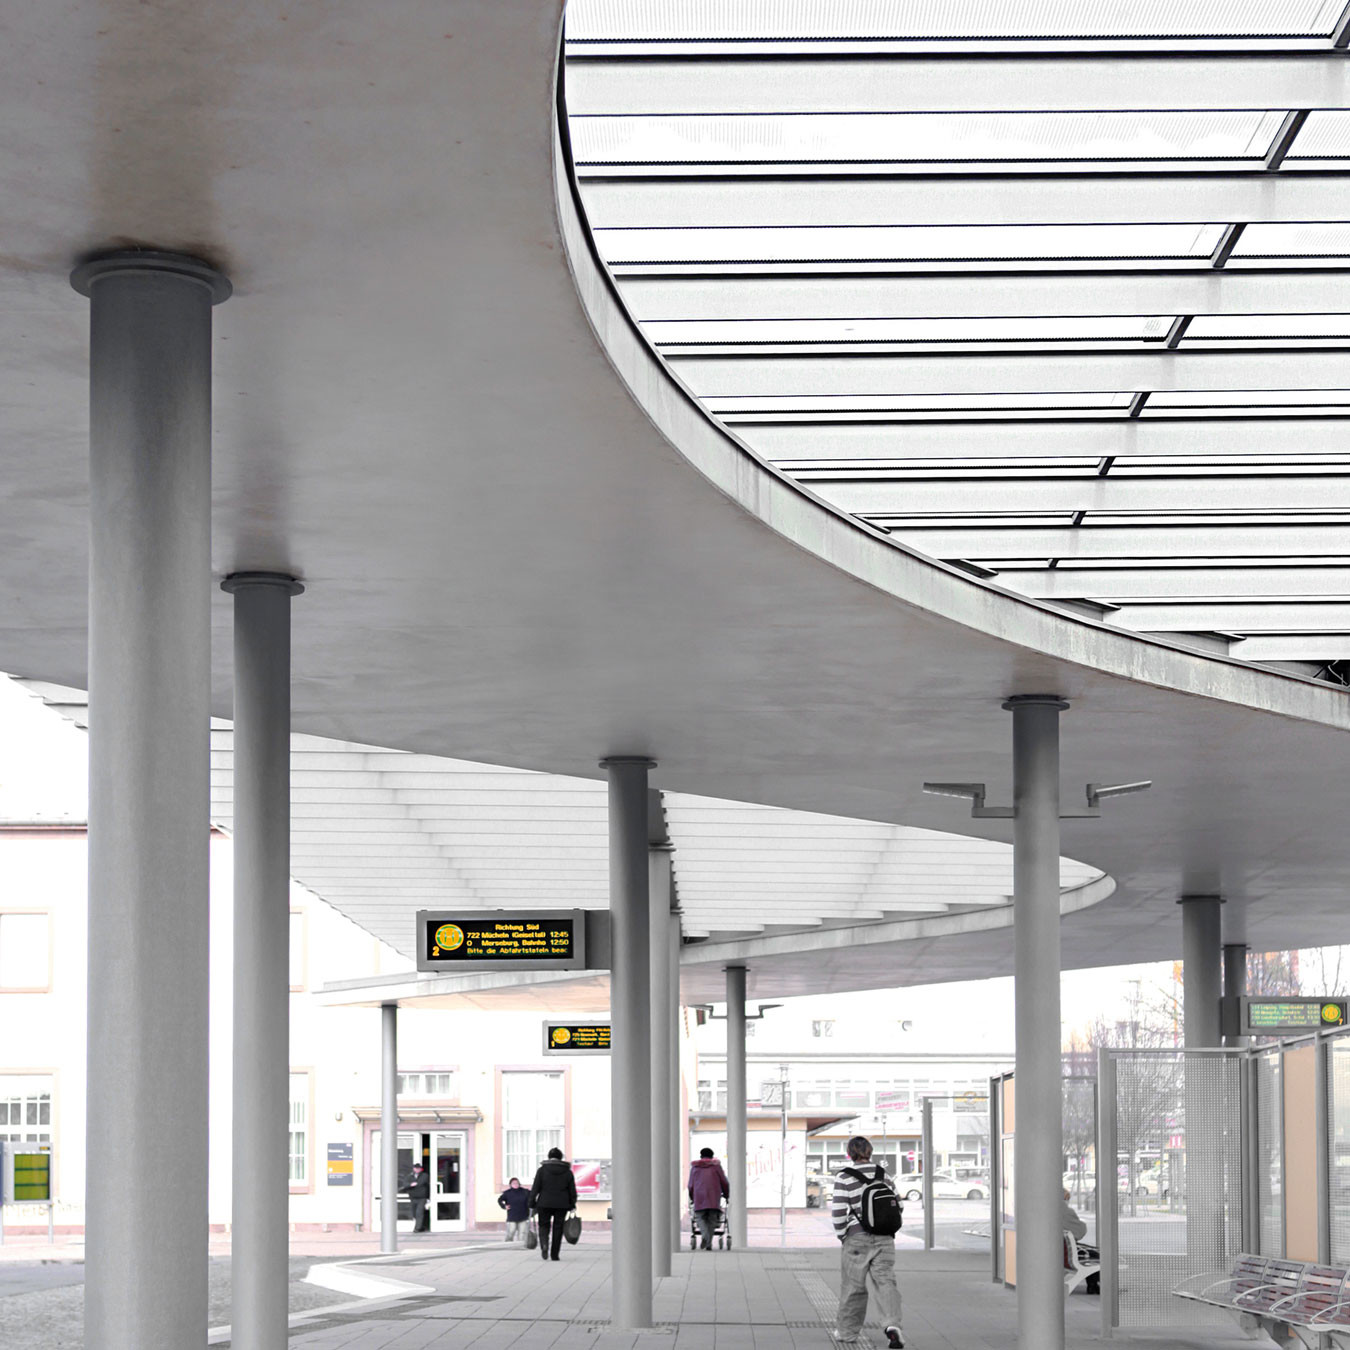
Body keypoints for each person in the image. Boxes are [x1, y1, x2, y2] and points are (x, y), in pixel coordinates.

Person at [831, 1136, 905, 1349]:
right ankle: (892, 1326)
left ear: (849, 1153)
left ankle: (847, 1333)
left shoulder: (844, 1177)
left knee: (853, 1286)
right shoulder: (884, 1175)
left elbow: (838, 1211)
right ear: (870, 1152)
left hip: (856, 1238)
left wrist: (842, 1235)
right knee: (886, 1282)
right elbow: (898, 1206)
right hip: (885, 1238)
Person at [528, 1146, 577, 1261]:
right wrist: (572, 1204)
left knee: (543, 1226)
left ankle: (544, 1244)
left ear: (549, 1157)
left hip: (544, 1203)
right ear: (560, 1158)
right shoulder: (567, 1172)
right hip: (562, 1204)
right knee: (558, 1228)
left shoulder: (542, 1170)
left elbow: (535, 1188)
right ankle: (555, 1254)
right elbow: (572, 1190)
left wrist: (531, 1202)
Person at [687, 1146, 730, 1250]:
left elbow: (690, 1185)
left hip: (699, 1197)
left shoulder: (695, 1168)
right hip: (713, 1197)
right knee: (712, 1219)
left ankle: (705, 1238)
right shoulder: (716, 1167)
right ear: (712, 1156)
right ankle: (708, 1241)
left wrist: (692, 1196)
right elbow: (724, 1182)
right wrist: (726, 1194)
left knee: (700, 1218)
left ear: (701, 1156)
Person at [499, 1176, 531, 1241]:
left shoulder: (525, 1192)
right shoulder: (507, 1193)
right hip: (512, 1216)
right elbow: (499, 1200)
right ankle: (508, 1244)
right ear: (510, 1184)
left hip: (523, 1216)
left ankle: (521, 1246)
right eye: (513, 1183)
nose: (515, 1184)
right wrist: (504, 1206)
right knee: (511, 1232)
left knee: (522, 1233)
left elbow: (533, 1195)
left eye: (517, 1183)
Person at [403, 1162, 430, 1233]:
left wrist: (415, 1184)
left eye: (418, 1168)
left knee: (419, 1212)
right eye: (416, 1168)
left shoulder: (424, 1175)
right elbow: (405, 1184)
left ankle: (417, 1228)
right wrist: (410, 1184)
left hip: (422, 1197)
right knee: (414, 1213)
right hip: (413, 1197)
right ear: (413, 1169)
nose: (417, 1170)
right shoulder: (410, 1176)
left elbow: (421, 1183)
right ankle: (421, 1226)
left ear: (421, 1169)